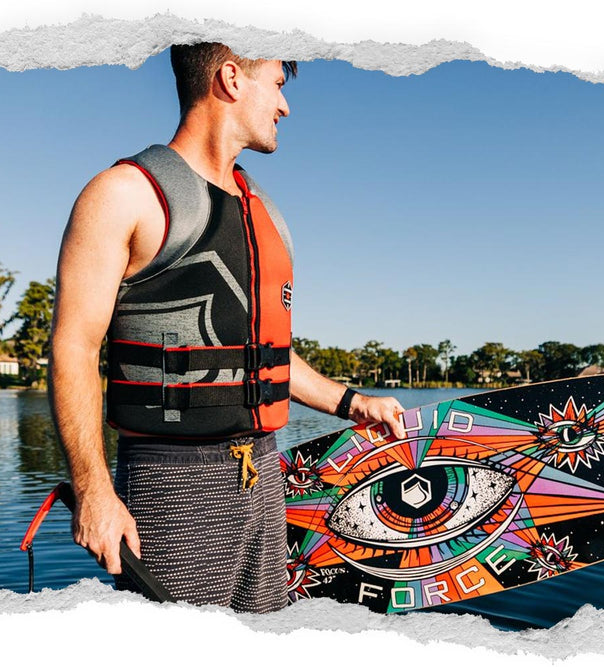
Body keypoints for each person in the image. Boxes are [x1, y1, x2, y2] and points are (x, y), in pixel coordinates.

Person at [47, 42, 408, 613]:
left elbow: (265, 357)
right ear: (232, 78)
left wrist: (351, 402)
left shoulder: (265, 213)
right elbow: (73, 348)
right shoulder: (123, 195)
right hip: (174, 485)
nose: (285, 107)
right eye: (279, 83)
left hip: (264, 473)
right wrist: (94, 490)